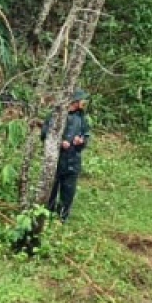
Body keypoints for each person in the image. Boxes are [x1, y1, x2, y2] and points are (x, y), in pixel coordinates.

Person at [45, 89, 91, 223]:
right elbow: (45, 133)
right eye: (82, 100)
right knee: (51, 190)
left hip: (73, 160)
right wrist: (59, 142)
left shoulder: (82, 117)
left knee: (68, 192)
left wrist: (81, 141)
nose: (84, 103)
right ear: (75, 101)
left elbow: (86, 135)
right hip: (55, 160)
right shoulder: (56, 115)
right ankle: (47, 215)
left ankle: (62, 218)